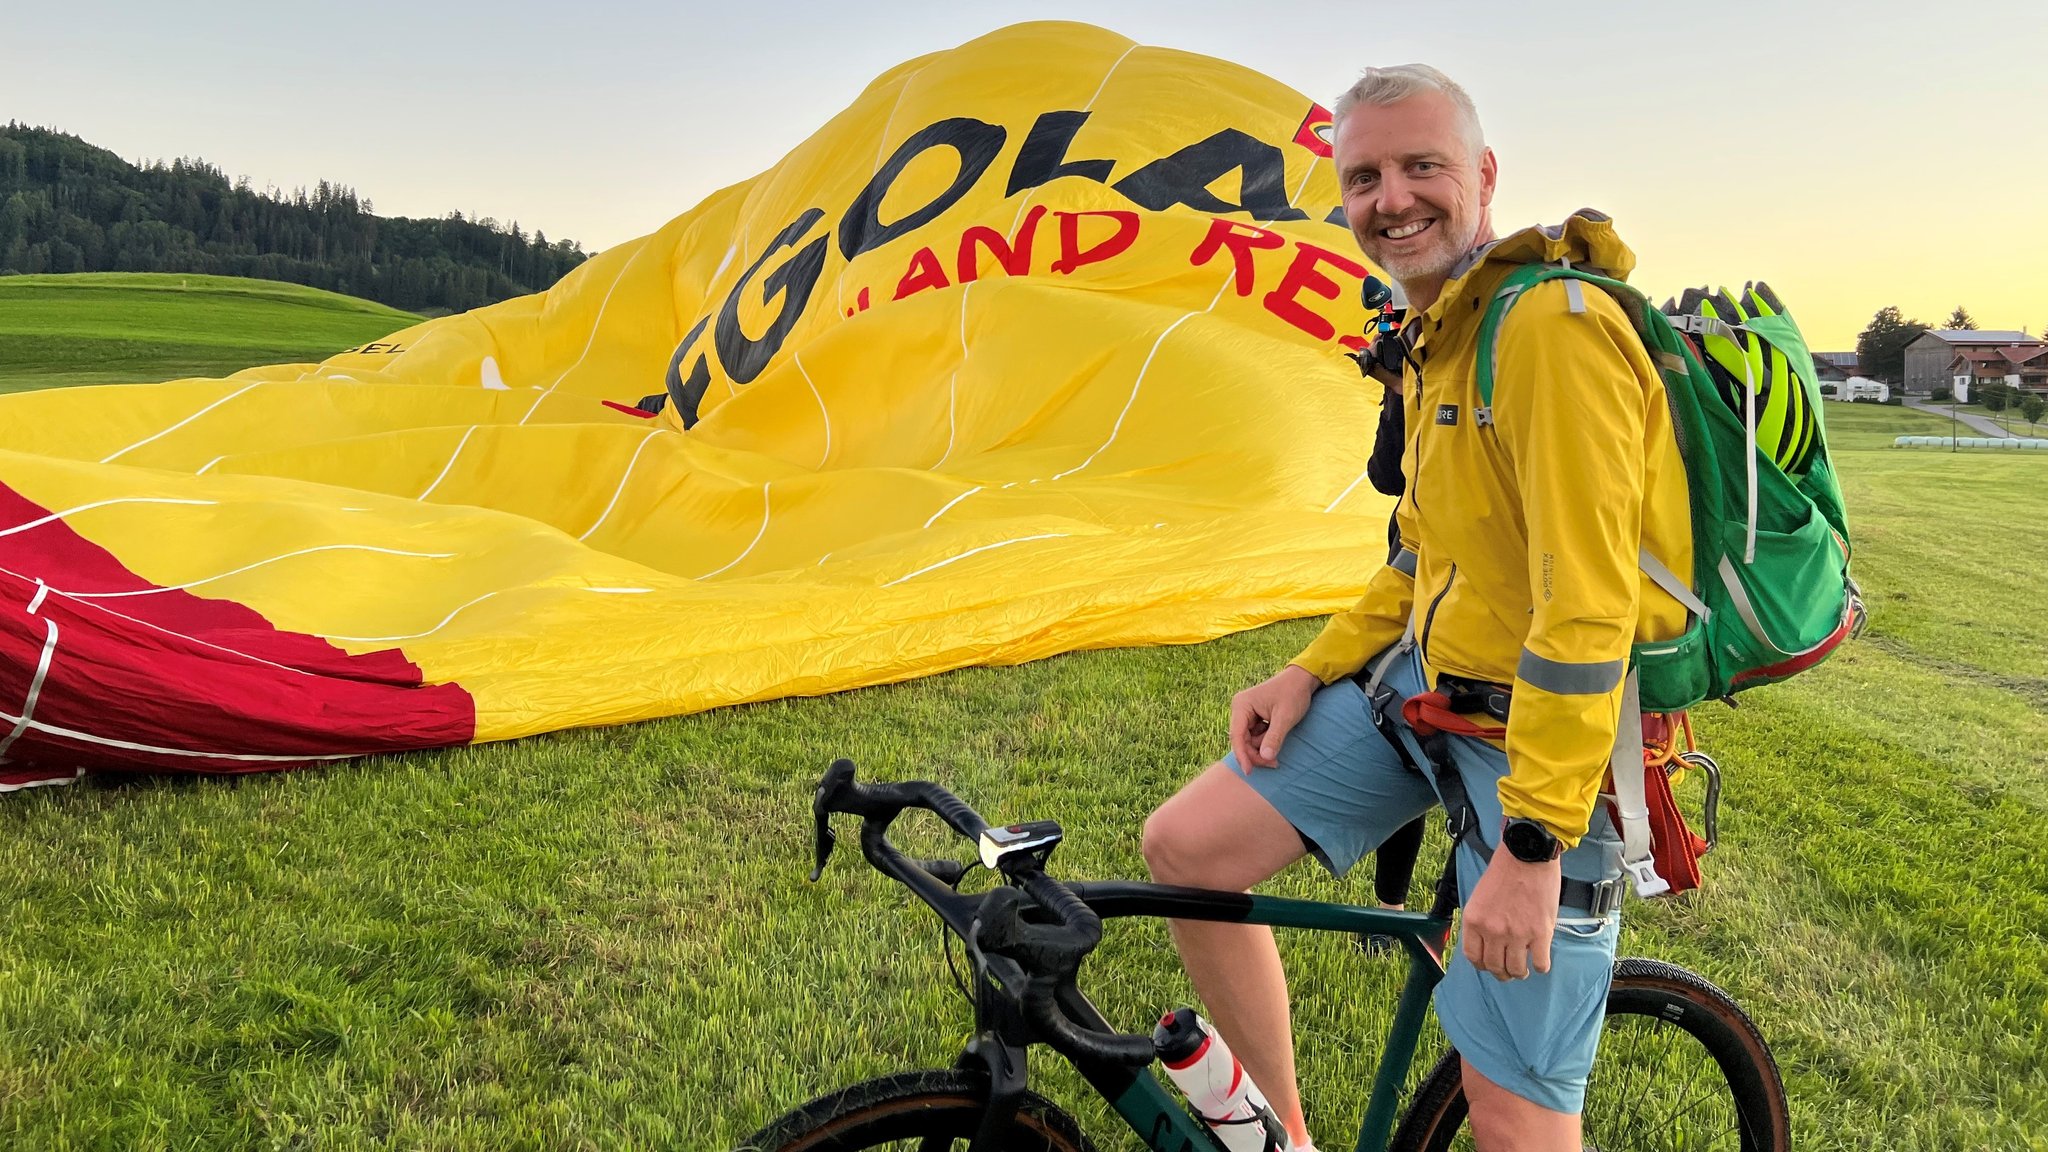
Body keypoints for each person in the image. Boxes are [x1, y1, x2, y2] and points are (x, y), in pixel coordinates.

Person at [1141, 64, 1694, 1152]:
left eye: (1419, 166)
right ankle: (1281, 1141)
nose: (1389, 198)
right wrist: (1308, 669)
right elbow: (1418, 557)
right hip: (1427, 693)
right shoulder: (1434, 332)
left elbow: (1587, 609)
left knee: (1514, 1116)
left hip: (1540, 745)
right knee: (1188, 849)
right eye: (1361, 177)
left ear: (1482, 175)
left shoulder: (1549, 331)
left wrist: (1531, 852)